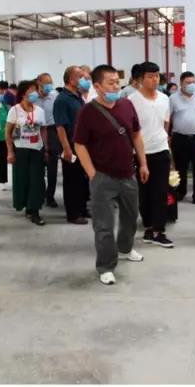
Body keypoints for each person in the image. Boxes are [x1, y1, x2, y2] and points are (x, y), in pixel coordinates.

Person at [74, 64, 150, 285]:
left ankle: (125, 248)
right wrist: (92, 173)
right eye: (111, 82)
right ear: (97, 86)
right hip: (103, 177)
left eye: (117, 82)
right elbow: (79, 144)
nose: (116, 86)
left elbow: (136, 135)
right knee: (104, 226)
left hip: (128, 174)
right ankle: (106, 266)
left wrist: (143, 163)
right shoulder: (87, 112)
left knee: (130, 217)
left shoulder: (127, 105)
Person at [128, 61, 174, 248]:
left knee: (160, 192)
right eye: (150, 76)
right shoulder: (131, 101)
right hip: (141, 154)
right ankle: (148, 228)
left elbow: (165, 124)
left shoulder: (164, 98)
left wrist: (167, 145)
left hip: (161, 150)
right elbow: (131, 131)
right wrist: (139, 158)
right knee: (144, 193)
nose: (155, 79)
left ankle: (158, 231)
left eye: (157, 76)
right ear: (140, 79)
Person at [5, 80, 49, 226]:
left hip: (37, 149)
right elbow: (8, 133)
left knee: (36, 180)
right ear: (23, 93)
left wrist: (46, 148)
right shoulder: (15, 110)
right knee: (23, 179)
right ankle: (26, 206)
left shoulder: (40, 111)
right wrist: (10, 151)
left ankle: (34, 210)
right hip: (20, 149)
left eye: (36, 90)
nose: (35, 93)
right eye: (32, 90)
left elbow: (43, 130)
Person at [54, 65, 89, 224]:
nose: (84, 79)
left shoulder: (78, 96)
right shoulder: (62, 99)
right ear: (70, 79)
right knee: (72, 181)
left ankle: (82, 208)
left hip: (82, 145)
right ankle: (73, 213)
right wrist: (66, 149)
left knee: (82, 180)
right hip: (71, 146)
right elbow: (60, 126)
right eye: (80, 76)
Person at [169, 71, 195, 206]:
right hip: (179, 138)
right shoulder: (173, 99)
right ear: (181, 83)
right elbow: (168, 118)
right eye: (188, 82)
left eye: (193, 82)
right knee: (181, 168)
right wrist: (166, 135)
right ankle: (181, 192)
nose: (191, 85)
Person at [36, 73, 59, 208]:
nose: (49, 85)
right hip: (36, 131)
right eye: (46, 83)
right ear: (39, 83)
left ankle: (50, 196)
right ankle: (40, 193)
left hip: (51, 131)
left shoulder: (55, 96)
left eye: (51, 82)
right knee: (38, 166)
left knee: (52, 166)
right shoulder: (33, 98)